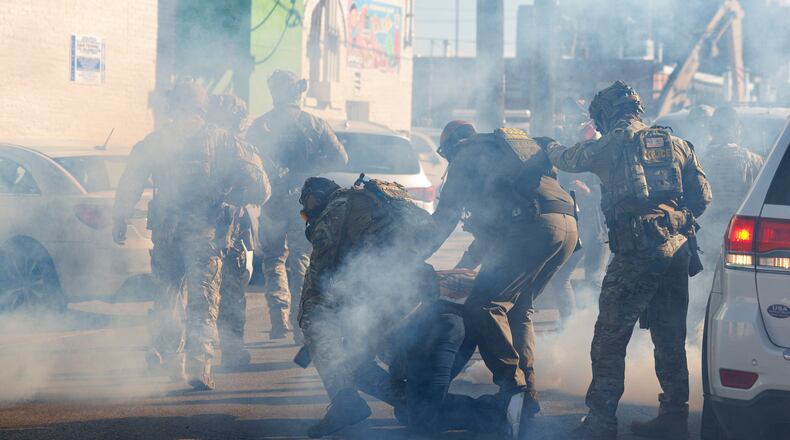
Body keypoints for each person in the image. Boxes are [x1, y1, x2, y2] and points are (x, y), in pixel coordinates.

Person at [543, 81, 712, 440]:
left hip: (637, 251)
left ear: (606, 114)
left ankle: (602, 421)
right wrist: (673, 219)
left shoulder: (612, 142)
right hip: (678, 250)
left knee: (609, 337)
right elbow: (703, 196)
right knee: (670, 337)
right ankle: (673, 417)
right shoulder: (676, 143)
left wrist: (548, 145)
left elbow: (568, 160)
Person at [113, 82, 270, 390]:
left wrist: (120, 217)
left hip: (166, 235)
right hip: (206, 237)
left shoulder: (156, 140)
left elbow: (131, 178)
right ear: (203, 108)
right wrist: (237, 198)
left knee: (168, 298)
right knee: (203, 302)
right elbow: (261, 186)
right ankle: (200, 367)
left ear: (174, 107)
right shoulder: (224, 140)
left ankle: (173, 366)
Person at [429, 121, 580, 436]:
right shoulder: (503, 150)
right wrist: (464, 266)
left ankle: (513, 389)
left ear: (450, 147)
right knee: (517, 306)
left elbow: (443, 220)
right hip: (565, 226)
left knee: (483, 306)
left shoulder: (465, 156)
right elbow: (491, 233)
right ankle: (530, 396)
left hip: (534, 227)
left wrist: (409, 257)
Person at [296, 176, 438, 438]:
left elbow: (320, 279)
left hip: (383, 290)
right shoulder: (365, 202)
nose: (307, 218)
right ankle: (415, 405)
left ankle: (344, 403)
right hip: (407, 287)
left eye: (306, 211)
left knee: (314, 316)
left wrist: (314, 329)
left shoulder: (334, 210)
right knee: (357, 362)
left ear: (314, 199)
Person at [247, 70, 348, 341]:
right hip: (307, 203)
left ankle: (280, 320)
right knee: (301, 258)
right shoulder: (315, 123)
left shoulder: (262, 125)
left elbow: (247, 158)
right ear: (297, 92)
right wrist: (310, 173)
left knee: (274, 259)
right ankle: (301, 323)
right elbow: (341, 157)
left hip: (273, 201)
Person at [207, 93, 272, 368]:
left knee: (182, 292)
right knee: (230, 292)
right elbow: (262, 190)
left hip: (184, 230)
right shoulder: (237, 146)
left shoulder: (184, 140)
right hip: (224, 232)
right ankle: (231, 352)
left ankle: (171, 354)